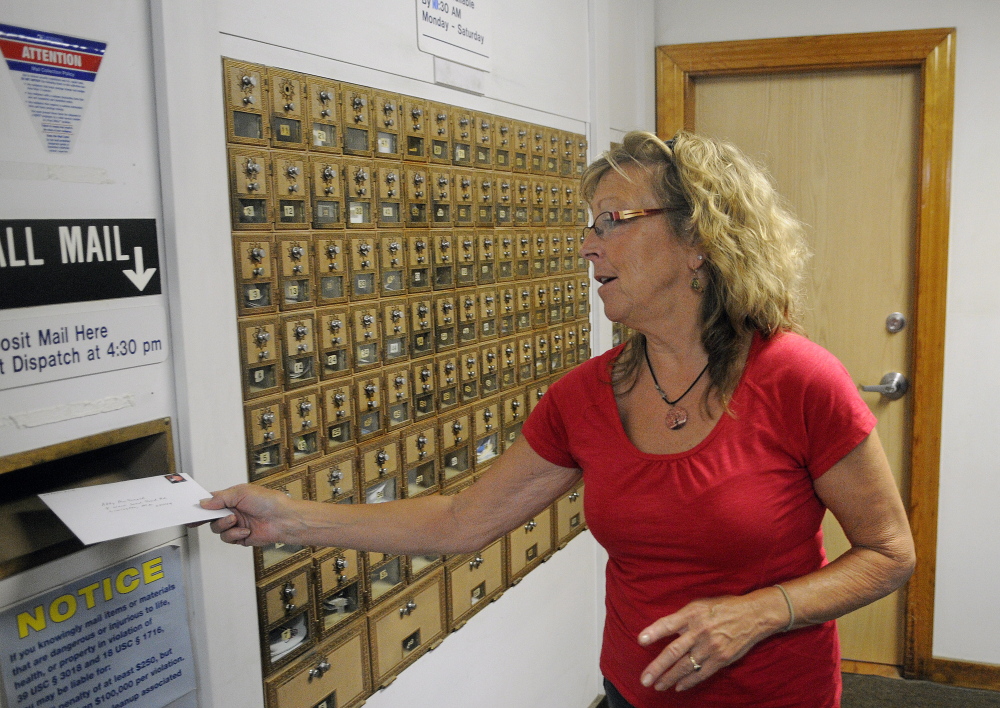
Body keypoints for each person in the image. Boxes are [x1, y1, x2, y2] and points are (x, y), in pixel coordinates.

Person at [202, 130, 915, 707]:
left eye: (613, 220)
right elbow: (461, 521)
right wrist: (288, 520)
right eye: (589, 223)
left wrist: (760, 612)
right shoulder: (582, 397)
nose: (586, 244)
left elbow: (888, 554)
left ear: (699, 241)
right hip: (630, 695)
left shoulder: (799, 380)